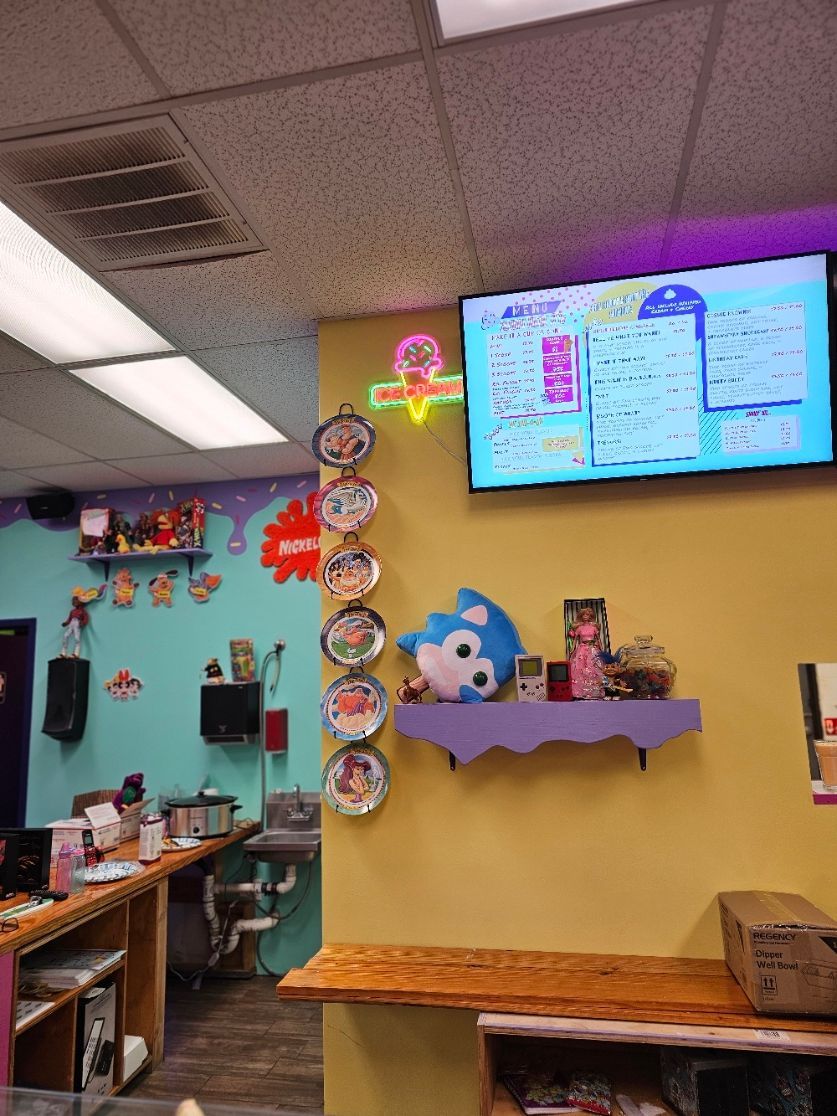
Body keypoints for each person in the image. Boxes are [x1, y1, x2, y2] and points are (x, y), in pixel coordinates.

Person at [567, 606, 604, 700]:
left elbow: (598, 639)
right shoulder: (579, 628)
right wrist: (572, 650)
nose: (585, 616)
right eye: (583, 615)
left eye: (587, 615)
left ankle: (595, 690)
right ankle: (580, 691)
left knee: (594, 667)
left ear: (590, 616)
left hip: (592, 648)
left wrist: (601, 648)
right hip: (582, 649)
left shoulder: (594, 628)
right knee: (580, 668)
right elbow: (575, 640)